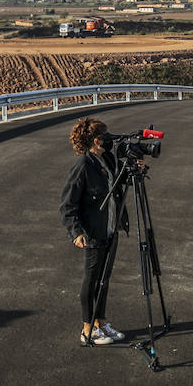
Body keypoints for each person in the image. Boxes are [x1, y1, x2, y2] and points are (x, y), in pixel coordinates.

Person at [61, 117, 134, 347]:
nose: (109, 139)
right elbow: (67, 205)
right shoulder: (83, 165)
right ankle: (87, 328)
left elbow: (118, 182)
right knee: (91, 280)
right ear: (96, 140)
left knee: (104, 279)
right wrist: (76, 232)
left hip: (111, 228)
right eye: (105, 135)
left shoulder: (108, 159)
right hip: (93, 232)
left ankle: (101, 323)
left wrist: (133, 168)